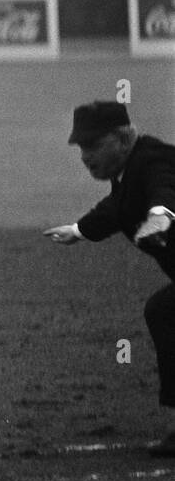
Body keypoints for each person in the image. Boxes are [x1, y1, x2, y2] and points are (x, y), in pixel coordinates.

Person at [43, 101, 175, 457]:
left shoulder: (153, 159)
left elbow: (165, 189)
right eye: (81, 148)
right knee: (164, 311)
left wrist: (161, 218)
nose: (85, 156)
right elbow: (118, 208)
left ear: (122, 137)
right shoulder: (129, 175)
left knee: (165, 312)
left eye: (92, 145)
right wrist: (78, 230)